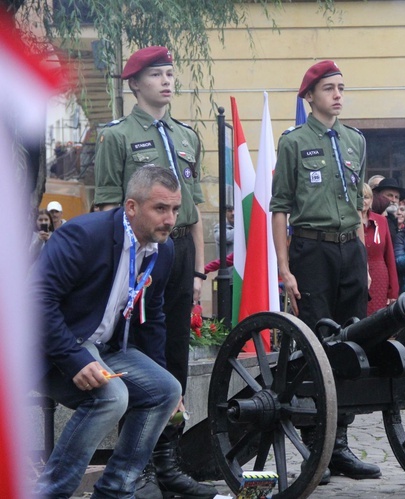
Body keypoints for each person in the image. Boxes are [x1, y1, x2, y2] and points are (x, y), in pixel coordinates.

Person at [92, 46, 214, 498]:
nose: (167, 81)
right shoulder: (118, 137)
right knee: (137, 355)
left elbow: (194, 208)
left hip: (179, 251)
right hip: (138, 251)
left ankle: (168, 462)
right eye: (156, 74)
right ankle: (136, 465)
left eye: (170, 73)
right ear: (135, 84)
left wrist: (199, 271)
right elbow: (107, 205)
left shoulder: (186, 136)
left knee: (175, 355)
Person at [33, 167, 183, 498]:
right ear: (131, 207)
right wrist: (74, 359)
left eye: (175, 209)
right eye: (160, 208)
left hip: (105, 345)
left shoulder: (163, 250)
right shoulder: (84, 235)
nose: (170, 219)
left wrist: (159, 370)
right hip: (49, 349)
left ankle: (115, 491)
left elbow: (153, 316)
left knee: (167, 389)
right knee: (112, 397)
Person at [270, 60, 381, 478]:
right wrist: (285, 267)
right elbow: (280, 208)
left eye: (341, 88)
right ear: (310, 96)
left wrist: (364, 260)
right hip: (311, 251)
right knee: (319, 342)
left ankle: (341, 446)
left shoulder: (355, 140)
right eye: (329, 88)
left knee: (352, 342)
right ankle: (317, 445)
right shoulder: (294, 142)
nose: (337, 94)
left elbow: (359, 203)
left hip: (350, 249)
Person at [361, 183, 399, 315]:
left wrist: (393, 290)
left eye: (366, 197)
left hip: (379, 277)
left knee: (377, 320)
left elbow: (389, 256)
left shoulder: (381, 221)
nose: (362, 201)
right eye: (358, 197)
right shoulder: (347, 222)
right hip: (355, 275)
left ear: (371, 200)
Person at [373, 177, 405, 242]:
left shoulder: (393, 219)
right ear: (378, 196)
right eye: (389, 195)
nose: (393, 200)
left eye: (396, 197)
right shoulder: (371, 217)